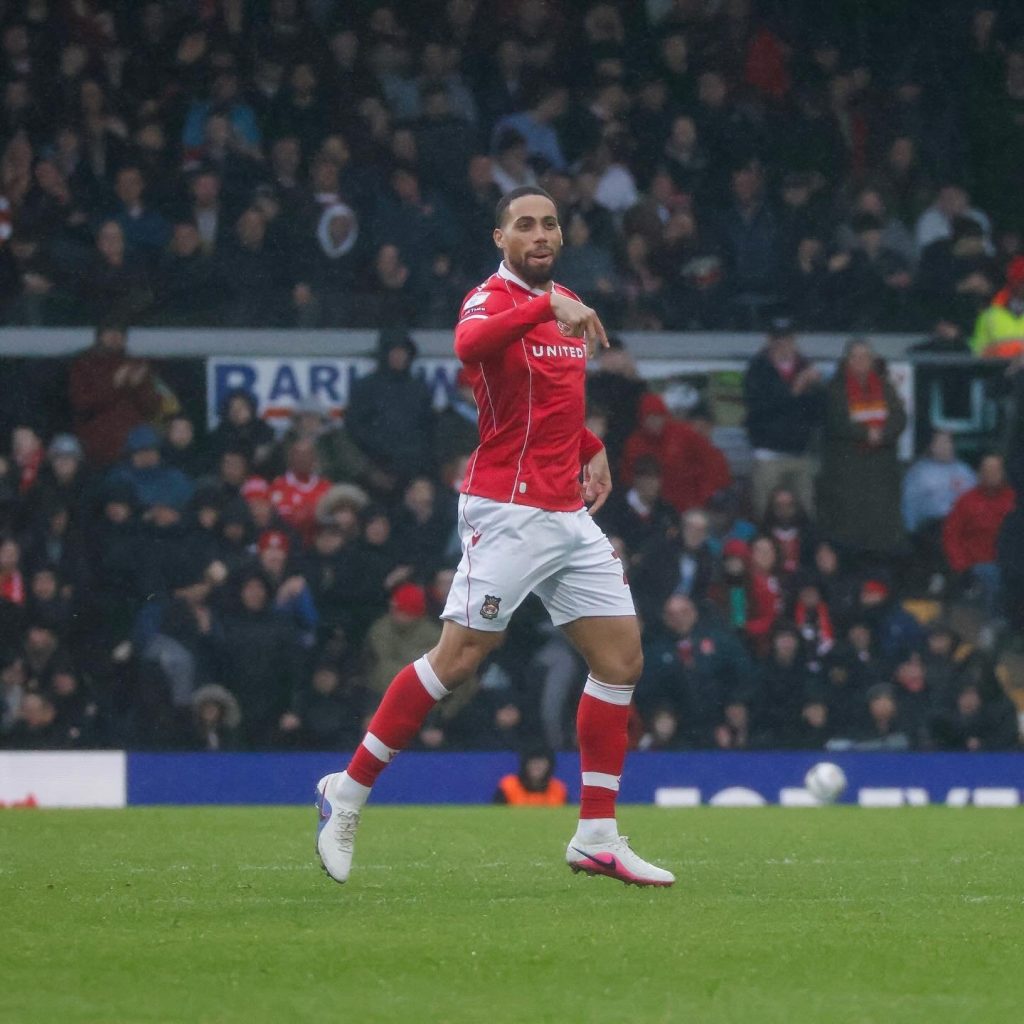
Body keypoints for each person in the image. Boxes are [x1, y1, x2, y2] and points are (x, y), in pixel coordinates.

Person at [315, 185, 674, 888]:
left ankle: (596, 835)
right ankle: (346, 791)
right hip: (506, 510)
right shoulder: (495, 301)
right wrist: (546, 306)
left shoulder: (562, 302)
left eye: (549, 224)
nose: (540, 234)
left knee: (621, 659)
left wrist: (588, 445)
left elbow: (547, 408)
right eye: (525, 225)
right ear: (500, 239)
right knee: (458, 661)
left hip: (565, 511)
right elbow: (467, 345)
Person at [818, 338, 907, 562]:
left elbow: (899, 417)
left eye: (865, 357)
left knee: (880, 532)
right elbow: (835, 421)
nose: (860, 361)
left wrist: (882, 434)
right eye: (855, 357)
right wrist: (865, 433)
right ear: (846, 361)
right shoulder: (834, 388)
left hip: (881, 472)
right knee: (849, 531)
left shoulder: (885, 387)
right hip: (847, 471)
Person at [743, 315, 824, 518]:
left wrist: (815, 388)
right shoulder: (757, 368)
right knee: (765, 515)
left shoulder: (806, 367)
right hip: (768, 457)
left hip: (800, 456)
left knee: (805, 515)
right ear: (768, 340)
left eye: (786, 338)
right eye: (777, 338)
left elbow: (818, 412)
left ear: (794, 339)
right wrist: (795, 389)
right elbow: (760, 409)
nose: (782, 344)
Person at [493, 748, 568, 805]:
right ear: (525, 764)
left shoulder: (558, 789)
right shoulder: (508, 786)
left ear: (549, 765)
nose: (537, 766)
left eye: (541, 762)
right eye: (532, 762)